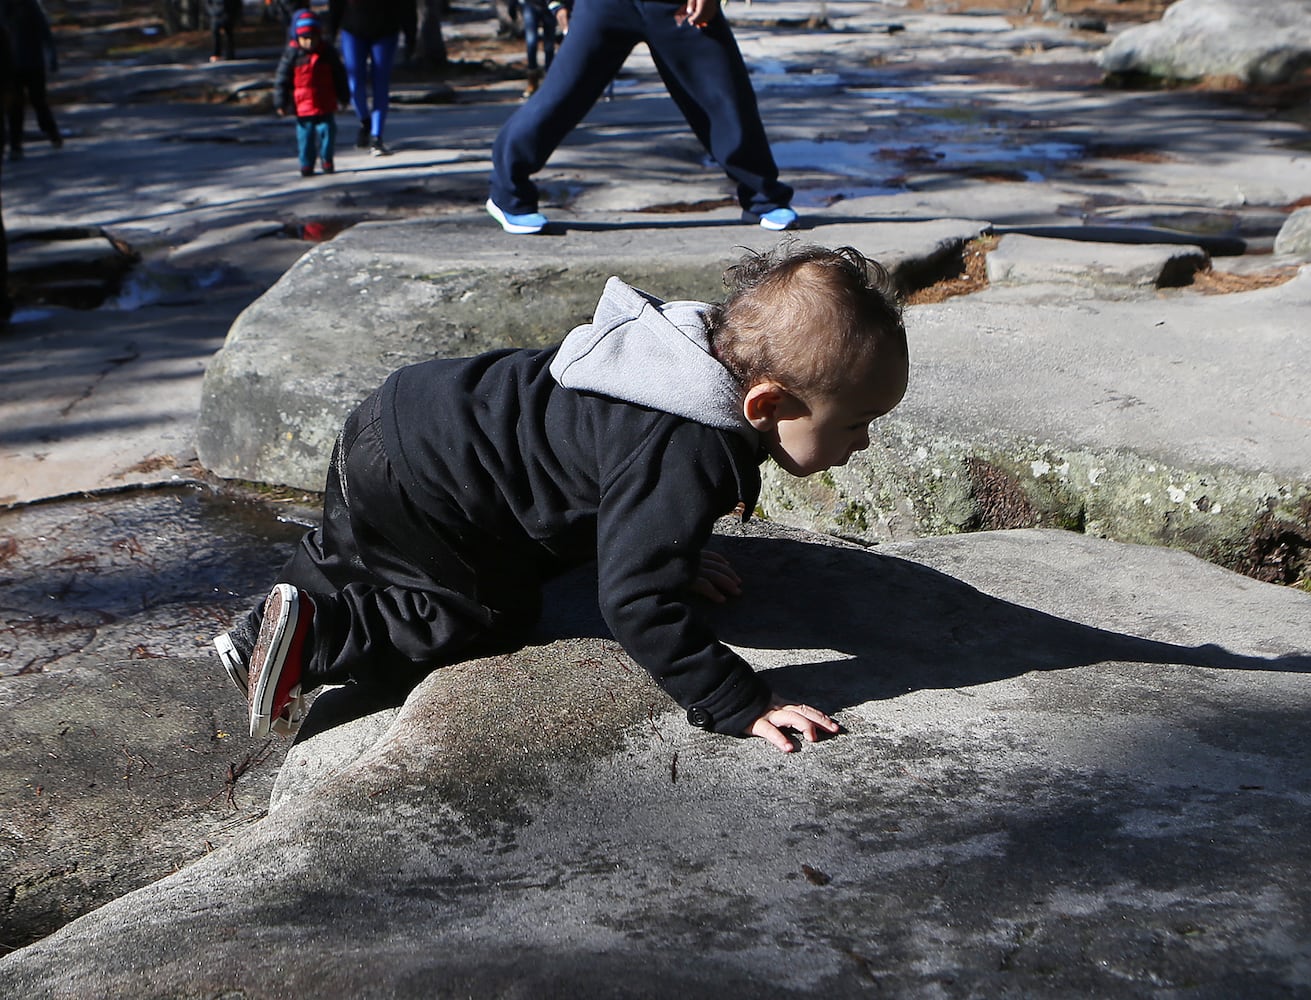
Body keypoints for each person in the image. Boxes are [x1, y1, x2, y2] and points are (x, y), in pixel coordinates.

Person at [213, 243, 909, 753]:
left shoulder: (688, 350)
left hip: (404, 416)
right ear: (766, 401)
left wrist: (666, 542)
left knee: (372, 545)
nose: (864, 443)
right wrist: (738, 698)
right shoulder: (687, 447)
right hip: (439, 484)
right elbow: (637, 601)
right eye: (854, 423)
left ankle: (293, 603)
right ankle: (314, 640)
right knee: (486, 616)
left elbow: (615, 468)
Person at [486, 0, 794, 235]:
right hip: (604, 6)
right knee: (562, 96)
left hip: (678, 6)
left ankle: (763, 198)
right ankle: (508, 193)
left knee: (725, 95)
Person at [327, 0, 416, 157]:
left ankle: (377, 137)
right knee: (354, 84)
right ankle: (365, 121)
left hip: (386, 31)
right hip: (352, 30)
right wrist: (331, 33)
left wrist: (411, 35)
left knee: (381, 83)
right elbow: (336, 4)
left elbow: (407, 5)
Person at [274, 9, 348, 177]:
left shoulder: (327, 53)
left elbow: (339, 75)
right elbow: (282, 80)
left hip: (325, 102)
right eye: (304, 38)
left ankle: (327, 159)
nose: (308, 42)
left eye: (312, 38)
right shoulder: (292, 55)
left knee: (328, 131)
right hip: (303, 104)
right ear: (297, 37)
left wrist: (343, 97)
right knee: (305, 137)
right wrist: (281, 102)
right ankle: (306, 163)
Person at [2, 0, 60, 161]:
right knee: (14, 108)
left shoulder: (31, 6)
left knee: (38, 101)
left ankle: (52, 133)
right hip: (11, 66)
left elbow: (45, 32)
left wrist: (52, 57)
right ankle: (15, 146)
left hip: (33, 63)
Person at [520, 0, 567, 97]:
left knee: (549, 45)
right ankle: (532, 80)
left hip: (549, 5)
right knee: (531, 43)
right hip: (530, 5)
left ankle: (549, 82)